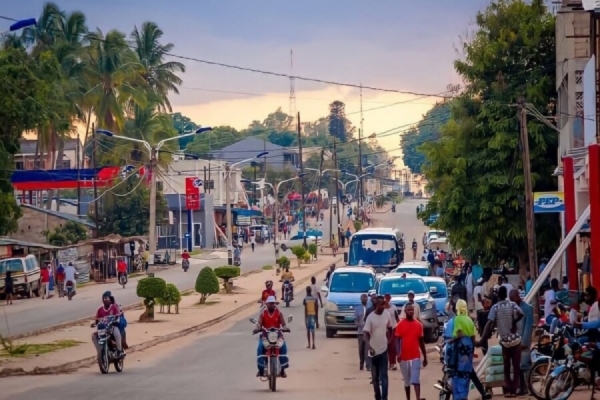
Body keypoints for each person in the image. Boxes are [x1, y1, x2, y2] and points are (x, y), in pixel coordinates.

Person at [479, 285, 524, 397]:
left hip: (505, 341)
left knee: (507, 365)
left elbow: (489, 323)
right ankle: (515, 389)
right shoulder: (512, 304)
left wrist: (482, 339)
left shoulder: (495, 308)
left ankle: (508, 389)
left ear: (498, 295)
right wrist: (514, 322)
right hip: (516, 340)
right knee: (516, 365)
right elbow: (521, 314)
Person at [395, 303, 427, 400]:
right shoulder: (400, 325)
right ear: (405, 311)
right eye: (409, 310)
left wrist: (425, 357)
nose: (411, 311)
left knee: (416, 379)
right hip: (404, 357)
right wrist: (398, 353)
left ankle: (417, 398)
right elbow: (397, 340)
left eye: (412, 310)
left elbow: (421, 342)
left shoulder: (419, 325)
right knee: (407, 381)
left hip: (415, 356)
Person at [364, 295, 392, 400]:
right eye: (381, 304)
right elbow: (365, 334)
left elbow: (390, 329)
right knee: (375, 378)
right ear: (376, 305)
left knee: (384, 376)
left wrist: (389, 340)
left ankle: (384, 398)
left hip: (384, 350)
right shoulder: (370, 317)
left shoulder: (387, 314)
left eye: (384, 304)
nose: (383, 306)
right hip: (373, 352)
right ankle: (377, 396)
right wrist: (369, 347)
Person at [255, 296, 289, 377]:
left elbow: (283, 324)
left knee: (284, 348)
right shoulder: (263, 313)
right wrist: (257, 328)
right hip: (265, 336)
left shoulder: (279, 313)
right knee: (260, 349)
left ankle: (283, 370)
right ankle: (261, 369)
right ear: (266, 304)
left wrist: (285, 328)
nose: (271, 305)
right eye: (270, 303)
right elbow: (259, 324)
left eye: (273, 303)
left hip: (278, 335)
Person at [449, 299, 476, 400]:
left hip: (460, 350)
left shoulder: (457, 319)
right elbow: (473, 337)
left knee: (457, 374)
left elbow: (460, 333)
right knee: (466, 375)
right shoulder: (469, 320)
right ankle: (464, 397)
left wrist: (452, 340)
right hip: (469, 350)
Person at [509, 289, 533, 396]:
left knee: (525, 365)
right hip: (515, 341)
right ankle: (522, 388)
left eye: (513, 299)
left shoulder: (527, 309)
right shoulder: (513, 309)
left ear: (518, 296)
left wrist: (525, 342)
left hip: (523, 341)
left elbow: (528, 327)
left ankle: (530, 388)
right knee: (517, 366)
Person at [93, 291, 124, 358]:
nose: (105, 300)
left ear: (110, 299)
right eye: (104, 298)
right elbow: (97, 319)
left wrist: (116, 321)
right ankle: (99, 351)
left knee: (116, 334)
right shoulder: (100, 310)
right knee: (94, 336)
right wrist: (94, 323)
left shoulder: (114, 307)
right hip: (103, 329)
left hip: (112, 327)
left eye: (107, 298)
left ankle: (119, 351)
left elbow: (118, 316)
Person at [354, 293, 371, 371]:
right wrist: (360, 325)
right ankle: (361, 364)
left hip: (367, 333)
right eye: (363, 299)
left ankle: (368, 365)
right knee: (361, 349)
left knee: (367, 349)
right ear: (361, 300)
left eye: (366, 298)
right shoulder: (357, 309)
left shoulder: (370, 308)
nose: (364, 300)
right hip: (360, 332)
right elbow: (355, 320)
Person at [383, 294, 399, 370]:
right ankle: (390, 363)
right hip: (386, 330)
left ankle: (394, 363)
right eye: (385, 298)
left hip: (394, 328)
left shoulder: (393, 307)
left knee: (393, 346)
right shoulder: (383, 309)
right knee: (388, 347)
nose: (387, 300)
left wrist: (399, 327)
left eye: (388, 298)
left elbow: (397, 318)